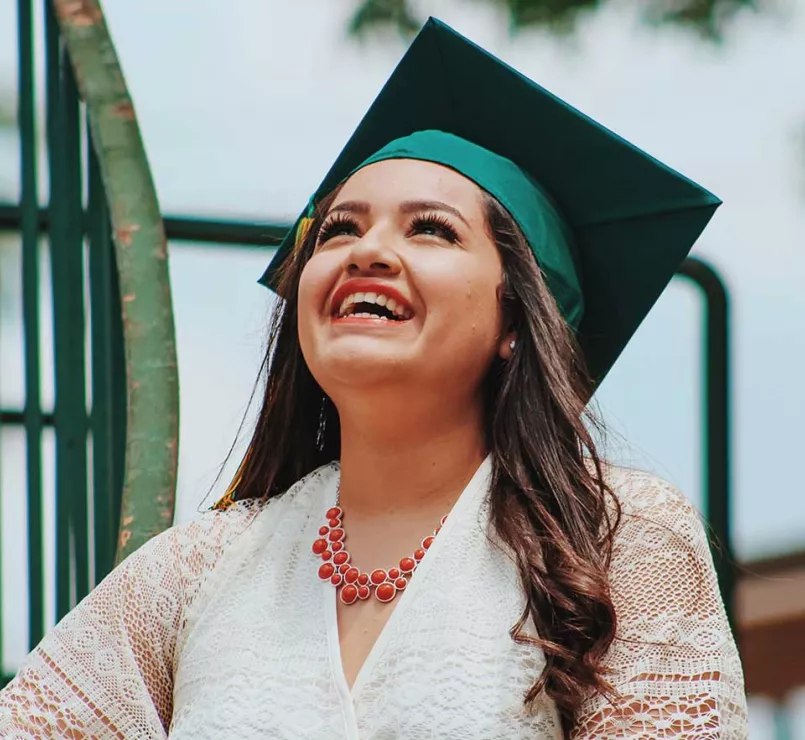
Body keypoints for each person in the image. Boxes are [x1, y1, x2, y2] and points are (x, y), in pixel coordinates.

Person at [0, 17, 747, 740]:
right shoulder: (196, 570)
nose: (368, 252)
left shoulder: (615, 538)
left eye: (430, 229)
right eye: (338, 230)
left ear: (518, 321)